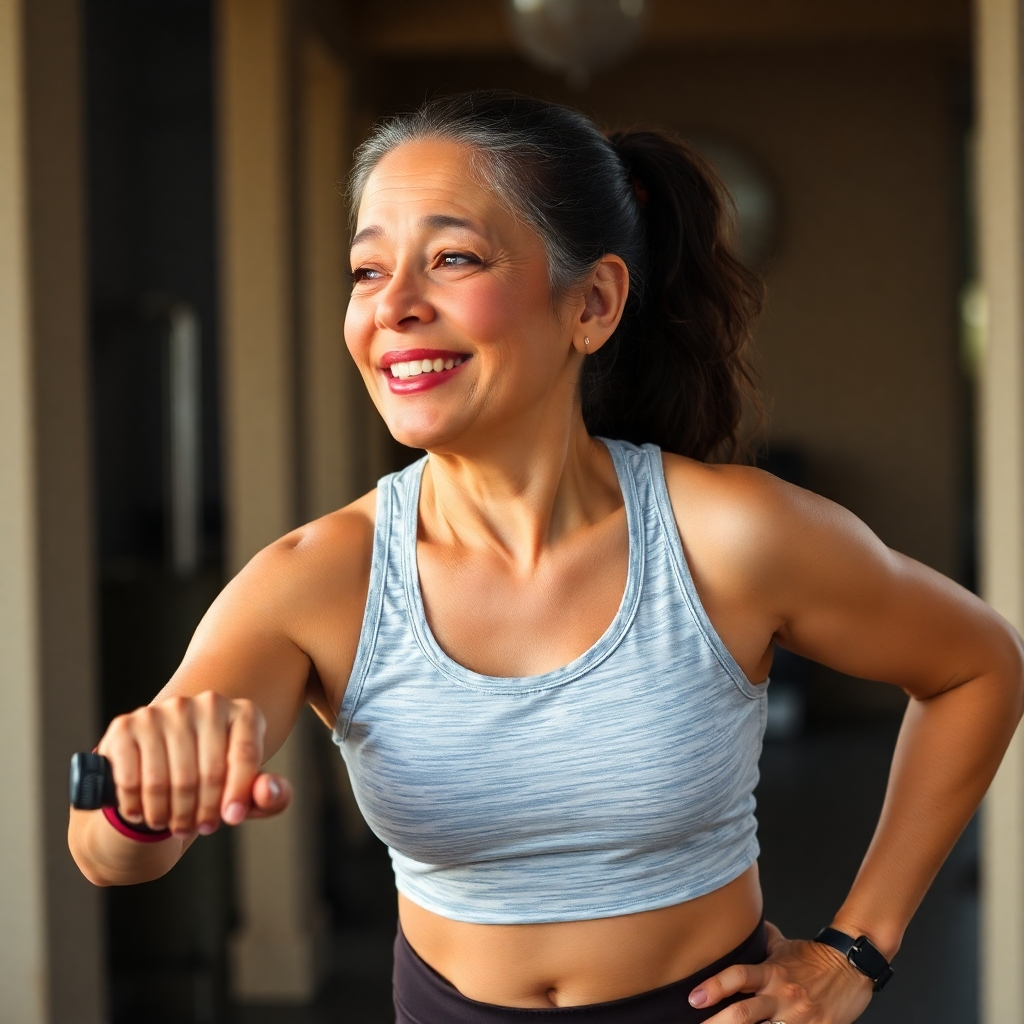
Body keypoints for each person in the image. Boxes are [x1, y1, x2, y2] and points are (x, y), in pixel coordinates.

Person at [69, 92, 1024, 1024]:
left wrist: (856, 951)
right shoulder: (318, 580)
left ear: (593, 303)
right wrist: (139, 798)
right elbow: (108, 856)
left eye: (452, 258)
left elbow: (978, 665)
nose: (393, 306)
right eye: (367, 270)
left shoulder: (730, 536)